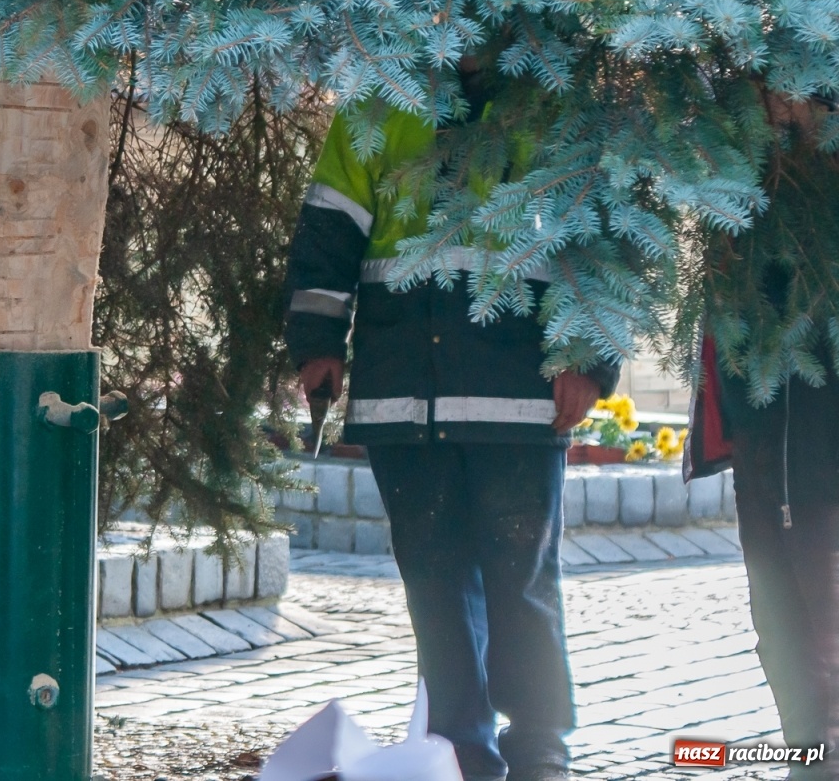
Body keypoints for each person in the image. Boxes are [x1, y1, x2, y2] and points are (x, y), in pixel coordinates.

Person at [284, 84, 617, 781]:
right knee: (434, 588)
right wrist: (317, 341)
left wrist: (589, 356)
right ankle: (461, 759)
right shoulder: (375, 108)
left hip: (521, 403)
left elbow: (601, 237)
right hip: (403, 402)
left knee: (520, 582)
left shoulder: (549, 92)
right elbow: (328, 234)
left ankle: (540, 756)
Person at [691, 91, 839, 779]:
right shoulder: (747, 158)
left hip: (823, 451)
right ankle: (806, 759)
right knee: (778, 629)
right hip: (761, 437)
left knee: (827, 626)